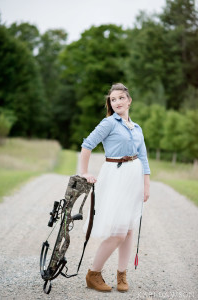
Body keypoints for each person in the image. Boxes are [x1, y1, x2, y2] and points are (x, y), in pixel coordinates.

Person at [80, 83, 150, 293]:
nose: (117, 102)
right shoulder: (109, 123)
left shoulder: (137, 128)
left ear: (129, 100)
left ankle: (121, 274)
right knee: (119, 232)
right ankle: (93, 273)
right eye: (113, 99)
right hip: (115, 175)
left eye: (121, 98)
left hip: (134, 176)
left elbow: (144, 157)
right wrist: (84, 172)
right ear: (110, 104)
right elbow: (87, 145)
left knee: (129, 230)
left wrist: (146, 184)